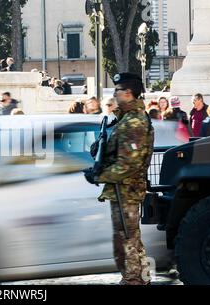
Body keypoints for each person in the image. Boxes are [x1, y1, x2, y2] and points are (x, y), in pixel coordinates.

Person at [84, 73, 154, 285]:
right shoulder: (123, 119)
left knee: (127, 239)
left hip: (126, 190)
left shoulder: (134, 122)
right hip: (121, 189)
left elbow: (128, 165)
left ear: (128, 93)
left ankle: (133, 280)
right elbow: (115, 154)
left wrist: (99, 176)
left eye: (117, 90)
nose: (114, 94)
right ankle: (141, 278)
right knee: (129, 238)